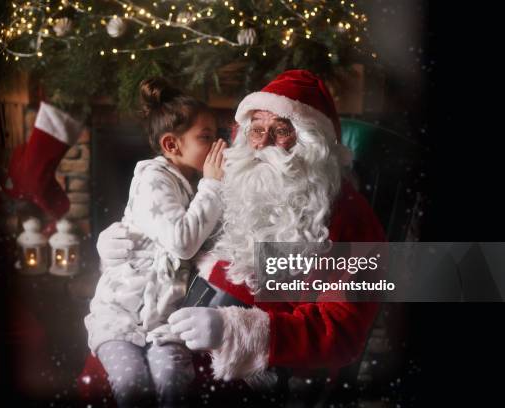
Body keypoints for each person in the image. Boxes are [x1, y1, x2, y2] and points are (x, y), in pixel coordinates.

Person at [85, 70, 385, 405]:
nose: (263, 143)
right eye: (257, 130)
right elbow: (179, 235)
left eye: (281, 131)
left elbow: (344, 332)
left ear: (311, 142)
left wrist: (238, 332)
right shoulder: (241, 180)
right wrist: (124, 244)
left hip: (250, 367)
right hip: (164, 325)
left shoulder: (353, 218)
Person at [84, 78, 227, 408]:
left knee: (172, 379)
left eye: (218, 134)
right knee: (131, 381)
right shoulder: (154, 178)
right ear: (172, 145)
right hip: (121, 317)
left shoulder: (195, 183)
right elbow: (183, 242)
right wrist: (212, 186)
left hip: (167, 320)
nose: (218, 146)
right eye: (206, 137)